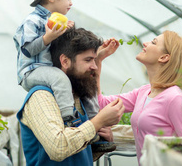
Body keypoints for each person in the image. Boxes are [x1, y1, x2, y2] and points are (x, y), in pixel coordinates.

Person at [13, 0, 113, 152]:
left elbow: (62, 48)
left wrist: (66, 31)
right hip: (32, 71)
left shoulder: (55, 19)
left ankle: (96, 124)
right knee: (60, 78)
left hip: (48, 70)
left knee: (85, 88)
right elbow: (27, 50)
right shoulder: (32, 21)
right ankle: (69, 119)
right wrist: (48, 37)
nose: (71, 3)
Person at [17, 28, 125, 165]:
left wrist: (102, 140)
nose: (94, 67)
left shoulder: (78, 98)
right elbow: (58, 148)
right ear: (65, 61)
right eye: (88, 60)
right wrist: (97, 122)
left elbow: (77, 156)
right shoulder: (41, 97)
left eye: (95, 60)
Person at [96, 30, 182, 164]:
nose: (145, 43)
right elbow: (100, 103)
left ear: (164, 57)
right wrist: (98, 60)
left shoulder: (175, 99)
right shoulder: (144, 92)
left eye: (153, 42)